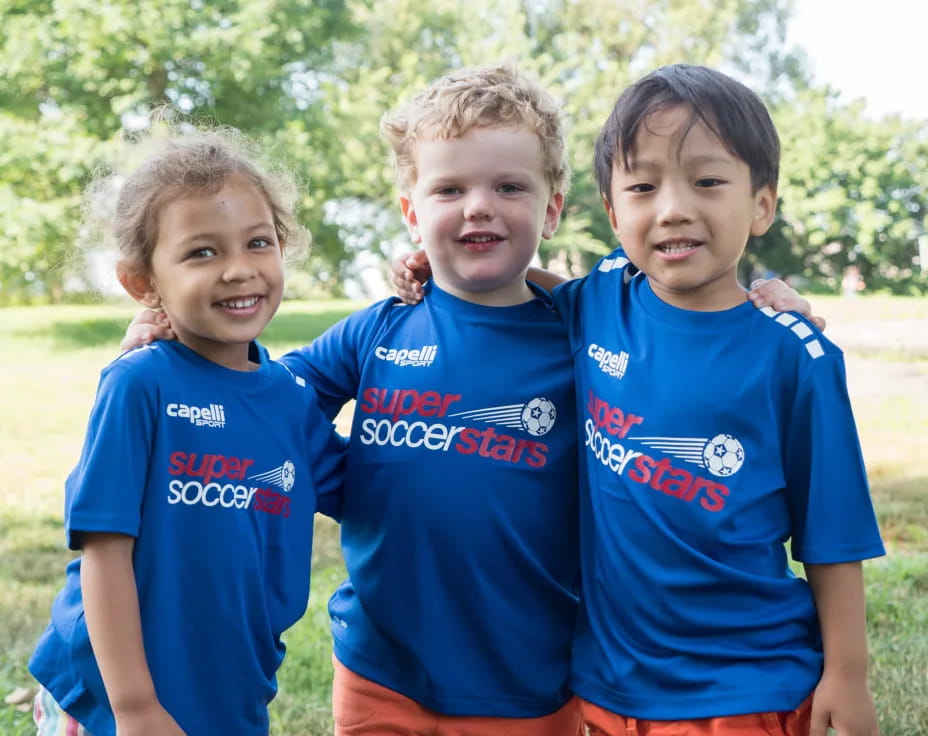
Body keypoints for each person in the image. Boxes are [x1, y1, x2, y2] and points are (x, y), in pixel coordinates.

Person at [120, 65, 818, 735]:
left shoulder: (582, 332)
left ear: (552, 209)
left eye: (508, 187)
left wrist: (761, 311)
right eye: (449, 190)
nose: (478, 206)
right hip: (378, 668)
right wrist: (175, 340)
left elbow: (681, 345)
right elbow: (265, 395)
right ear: (411, 212)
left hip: (528, 679)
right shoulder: (381, 324)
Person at [552, 65, 883, 736]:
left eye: (707, 181)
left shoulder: (795, 355)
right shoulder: (597, 301)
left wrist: (848, 676)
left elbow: (832, 531)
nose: (672, 208)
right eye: (643, 187)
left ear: (762, 204)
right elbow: (507, 295)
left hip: (744, 689)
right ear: (614, 214)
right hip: (605, 684)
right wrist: (428, 273)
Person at [29, 129, 346, 736]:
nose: (238, 270)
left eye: (258, 243)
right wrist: (135, 708)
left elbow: (379, 490)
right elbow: (104, 551)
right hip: (109, 699)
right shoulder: (139, 384)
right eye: (202, 252)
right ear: (143, 283)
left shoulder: (287, 401)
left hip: (230, 693)